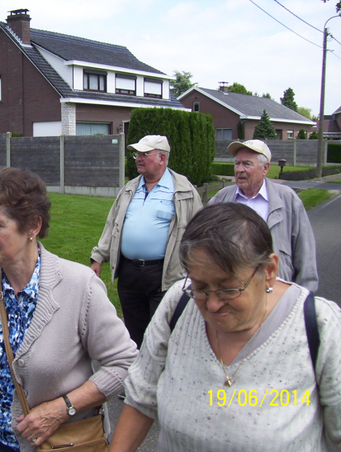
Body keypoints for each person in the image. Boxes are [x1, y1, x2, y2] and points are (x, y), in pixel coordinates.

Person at [110, 203, 341, 451]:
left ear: (269, 270)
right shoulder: (179, 303)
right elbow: (142, 399)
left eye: (229, 288)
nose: (213, 304)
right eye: (199, 286)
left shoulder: (319, 325)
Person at [0, 167, 138, 452]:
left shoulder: (80, 286)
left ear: (32, 226)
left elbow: (125, 363)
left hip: (60, 445)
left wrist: (62, 408)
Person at [90, 135, 202, 347]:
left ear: (162, 158)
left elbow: (199, 231)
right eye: (137, 154)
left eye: (144, 154)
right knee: (134, 332)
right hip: (129, 274)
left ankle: (161, 376)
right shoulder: (129, 188)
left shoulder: (184, 191)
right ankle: (136, 373)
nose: (138, 159)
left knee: (162, 334)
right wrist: (98, 257)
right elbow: (112, 224)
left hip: (164, 275)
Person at [209, 139, 318, 292]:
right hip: (230, 293)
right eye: (237, 163)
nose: (239, 169)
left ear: (265, 168)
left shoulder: (287, 200)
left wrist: (306, 298)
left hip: (275, 292)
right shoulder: (221, 199)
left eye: (247, 164)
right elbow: (202, 243)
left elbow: (305, 252)